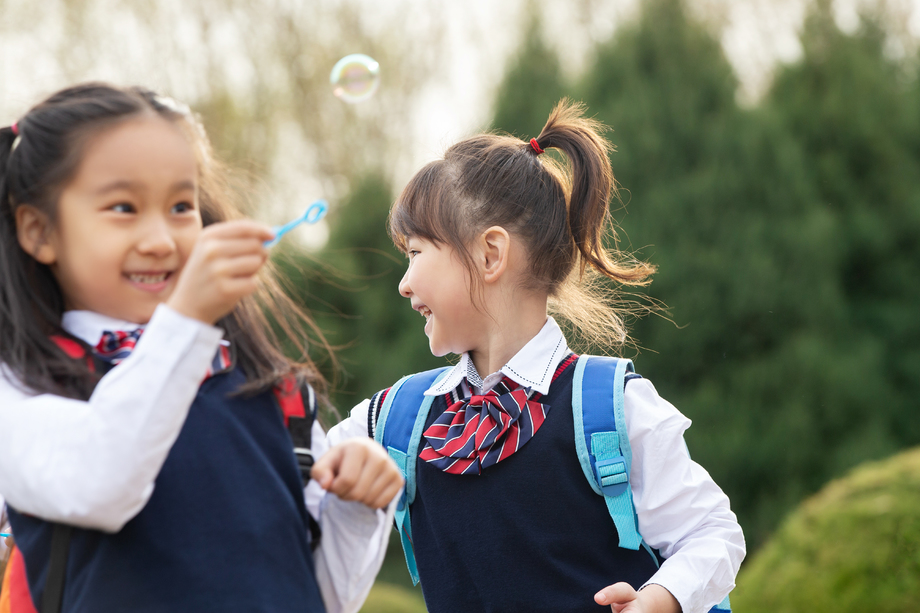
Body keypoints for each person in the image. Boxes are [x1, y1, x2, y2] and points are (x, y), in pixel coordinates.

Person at [327, 100, 746, 613]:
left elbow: (713, 532)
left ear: (490, 254)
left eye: (415, 253)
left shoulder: (610, 409)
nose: (404, 283)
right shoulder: (393, 420)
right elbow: (289, 484)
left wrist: (657, 600)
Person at [0, 83, 403, 613]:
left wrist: (355, 508)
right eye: (123, 206)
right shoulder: (20, 386)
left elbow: (321, 598)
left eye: (181, 205)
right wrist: (185, 320)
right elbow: (101, 484)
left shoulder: (275, 391)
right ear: (38, 230)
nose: (162, 240)